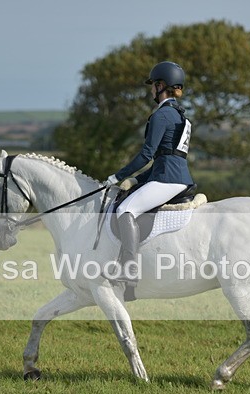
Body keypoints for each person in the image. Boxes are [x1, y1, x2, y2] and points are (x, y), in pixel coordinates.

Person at [105, 61, 195, 284]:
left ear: (161, 85)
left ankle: (129, 268)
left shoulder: (161, 115)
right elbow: (167, 157)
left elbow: (147, 155)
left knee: (125, 210)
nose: (151, 90)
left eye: (153, 85)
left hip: (167, 180)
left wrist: (119, 176)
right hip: (177, 177)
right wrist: (137, 179)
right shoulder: (181, 116)